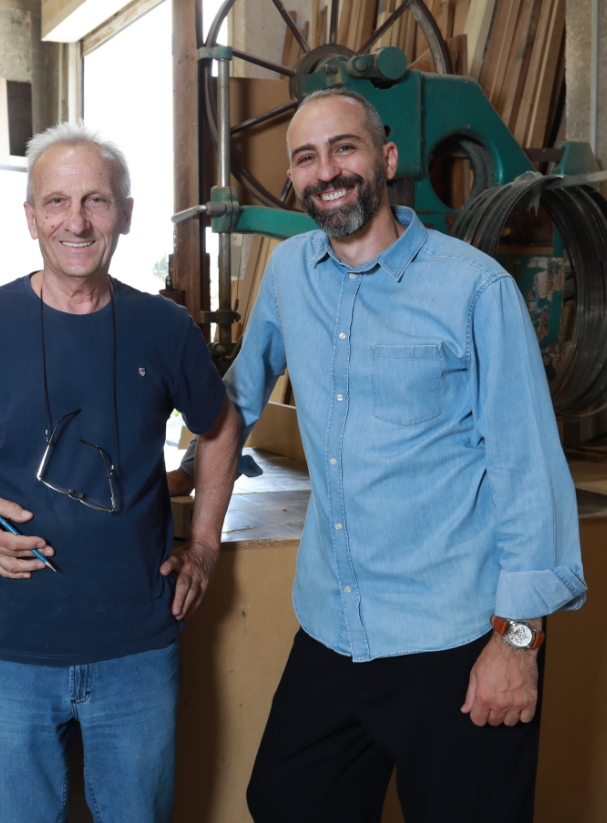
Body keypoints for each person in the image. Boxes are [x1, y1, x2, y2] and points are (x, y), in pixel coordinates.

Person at [226, 88, 586, 823]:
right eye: (306, 157)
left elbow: (527, 468)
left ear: (386, 159)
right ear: (292, 179)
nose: (327, 171)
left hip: (455, 636)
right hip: (335, 625)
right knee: (286, 800)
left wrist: (517, 643)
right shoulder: (289, 273)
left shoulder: (473, 288)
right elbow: (234, 399)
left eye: (344, 148)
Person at [0, 122, 240, 823]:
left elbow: (220, 426)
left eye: (96, 201)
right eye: (55, 202)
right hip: (12, 641)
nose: (76, 222)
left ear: (125, 213)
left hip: (137, 642)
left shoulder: (165, 328)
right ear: (30, 217)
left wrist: (205, 544)